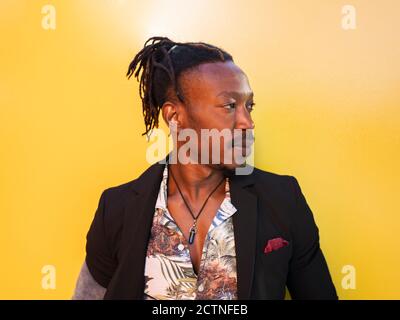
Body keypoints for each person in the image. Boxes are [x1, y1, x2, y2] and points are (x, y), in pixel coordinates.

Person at [72, 36, 337, 300]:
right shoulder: (118, 209)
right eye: (229, 106)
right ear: (175, 117)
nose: (247, 122)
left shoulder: (282, 199)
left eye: (249, 106)